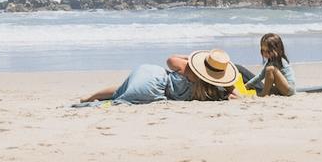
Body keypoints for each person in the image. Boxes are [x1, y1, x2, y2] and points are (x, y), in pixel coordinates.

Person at [79, 49, 239, 104]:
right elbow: (232, 92)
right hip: (163, 92)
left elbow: (170, 60)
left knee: (120, 89)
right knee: (121, 91)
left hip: (159, 81)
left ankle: (90, 97)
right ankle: (91, 98)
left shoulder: (188, 68)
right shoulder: (215, 90)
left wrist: (190, 57)